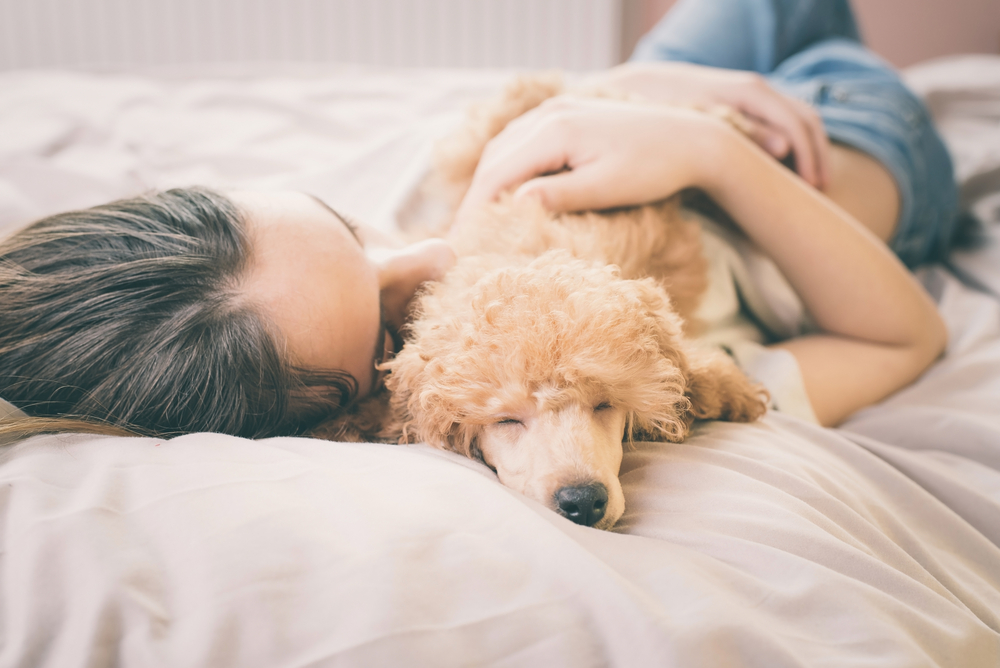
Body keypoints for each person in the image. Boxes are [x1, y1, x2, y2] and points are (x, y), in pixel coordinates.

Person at [0, 0, 955, 439]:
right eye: (386, 323)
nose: (428, 251)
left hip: (664, 86)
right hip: (842, 144)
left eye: (351, 227)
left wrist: (621, 97)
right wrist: (708, 150)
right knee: (817, 33)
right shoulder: (597, 365)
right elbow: (901, 333)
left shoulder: (266, 280)